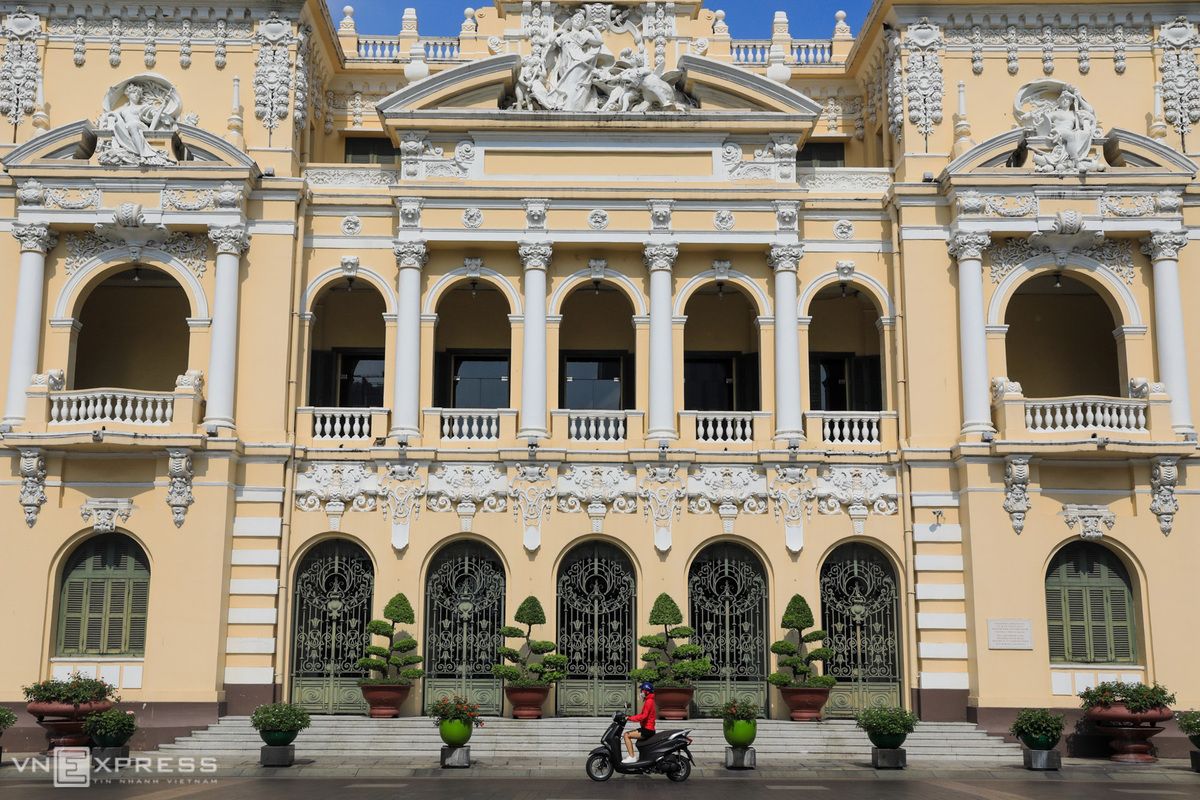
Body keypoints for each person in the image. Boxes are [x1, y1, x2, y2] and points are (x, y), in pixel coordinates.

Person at [622, 681, 656, 762]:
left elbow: (643, 716)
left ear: (646, 691)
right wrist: (631, 717)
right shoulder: (649, 700)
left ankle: (632, 757)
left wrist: (630, 718)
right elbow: (642, 714)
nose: (641, 693)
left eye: (642, 690)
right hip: (647, 728)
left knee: (626, 735)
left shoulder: (649, 701)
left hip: (647, 730)